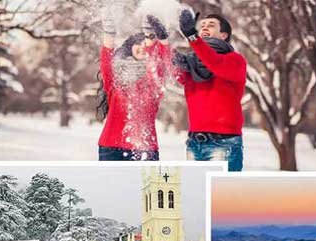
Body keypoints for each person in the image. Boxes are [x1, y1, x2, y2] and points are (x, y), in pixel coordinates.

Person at [175, 10, 247, 171]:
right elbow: (169, 71)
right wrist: (160, 41)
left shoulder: (235, 61)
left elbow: (214, 63)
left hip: (224, 143)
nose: (205, 27)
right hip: (194, 143)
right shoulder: (191, 64)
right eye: (202, 25)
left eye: (211, 25)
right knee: (197, 194)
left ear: (224, 35)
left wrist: (192, 36)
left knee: (223, 195)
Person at [98, 12, 172, 161]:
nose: (142, 46)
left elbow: (163, 60)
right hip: (111, 148)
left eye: (145, 44)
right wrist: (109, 34)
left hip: (144, 148)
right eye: (138, 43)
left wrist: (152, 36)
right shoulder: (117, 77)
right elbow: (106, 61)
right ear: (129, 47)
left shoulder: (153, 79)